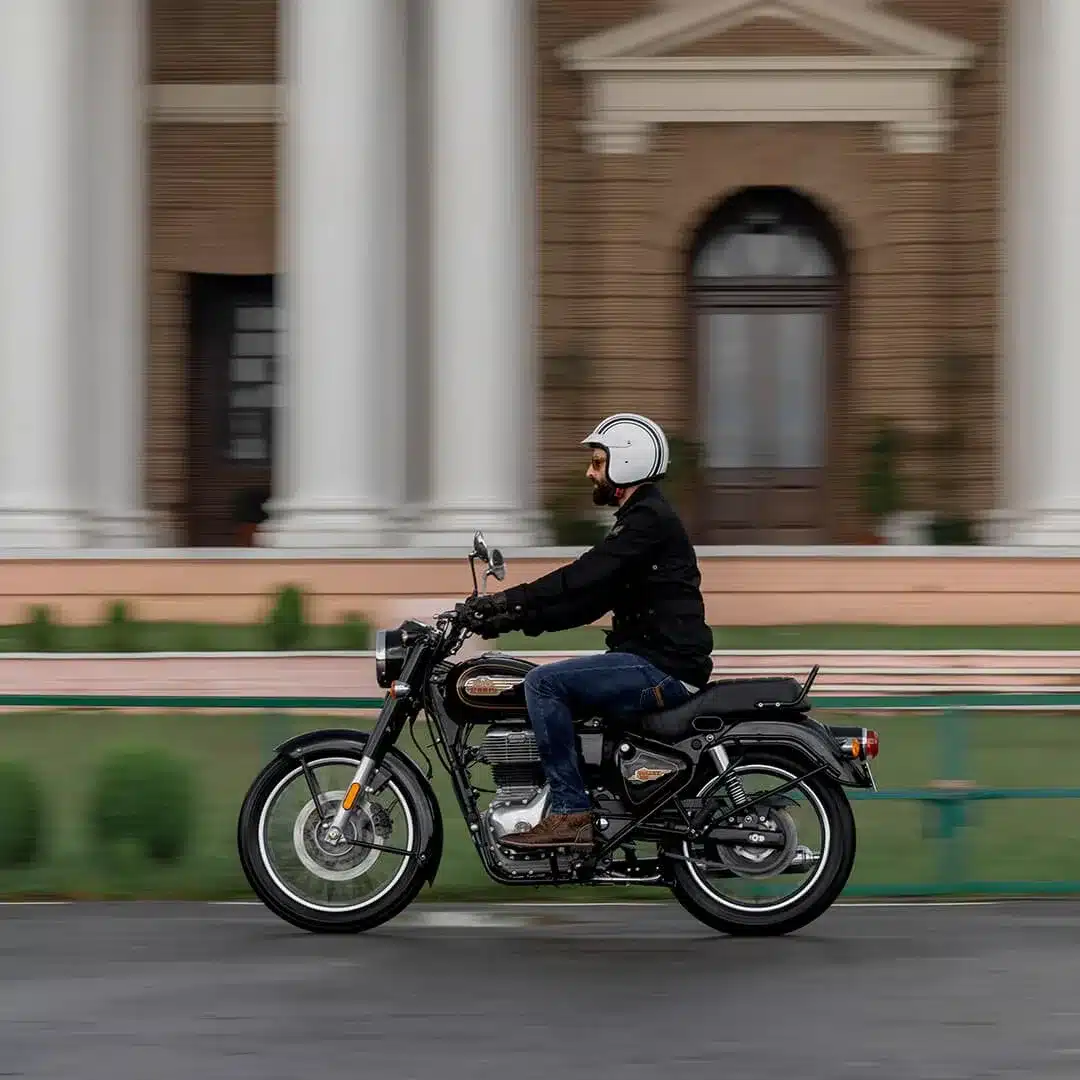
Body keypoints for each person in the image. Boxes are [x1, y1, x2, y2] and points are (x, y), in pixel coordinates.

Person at [463, 413, 714, 851]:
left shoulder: (647, 520)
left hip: (661, 667)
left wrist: (509, 599)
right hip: (653, 660)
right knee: (553, 682)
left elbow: (584, 575)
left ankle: (569, 812)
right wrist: (511, 620)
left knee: (542, 684)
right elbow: (586, 603)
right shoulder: (639, 520)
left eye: (598, 463)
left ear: (627, 465)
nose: (589, 472)